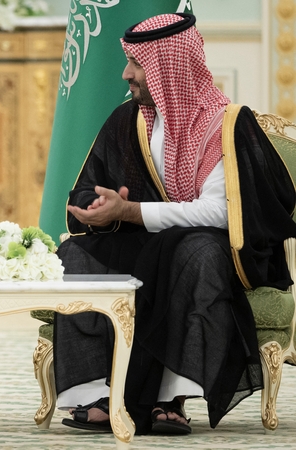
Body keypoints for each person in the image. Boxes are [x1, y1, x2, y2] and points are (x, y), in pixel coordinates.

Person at [53, 13, 296, 435]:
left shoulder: (225, 125)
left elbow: (219, 212)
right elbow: (90, 186)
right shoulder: (127, 121)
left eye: (137, 63)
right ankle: (95, 394)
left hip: (211, 250)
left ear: (170, 67)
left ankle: (171, 397)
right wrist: (96, 206)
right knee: (76, 253)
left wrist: (131, 212)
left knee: (192, 250)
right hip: (146, 242)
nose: (126, 74)